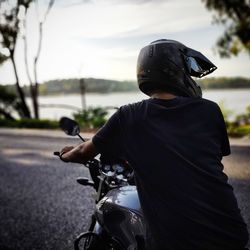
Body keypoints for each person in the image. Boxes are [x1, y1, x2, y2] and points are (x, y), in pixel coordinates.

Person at [60, 39, 249, 250]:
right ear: (176, 70)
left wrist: (65, 155)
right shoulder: (210, 111)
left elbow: (83, 152)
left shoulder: (128, 115)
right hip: (231, 234)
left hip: (177, 243)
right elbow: (210, 156)